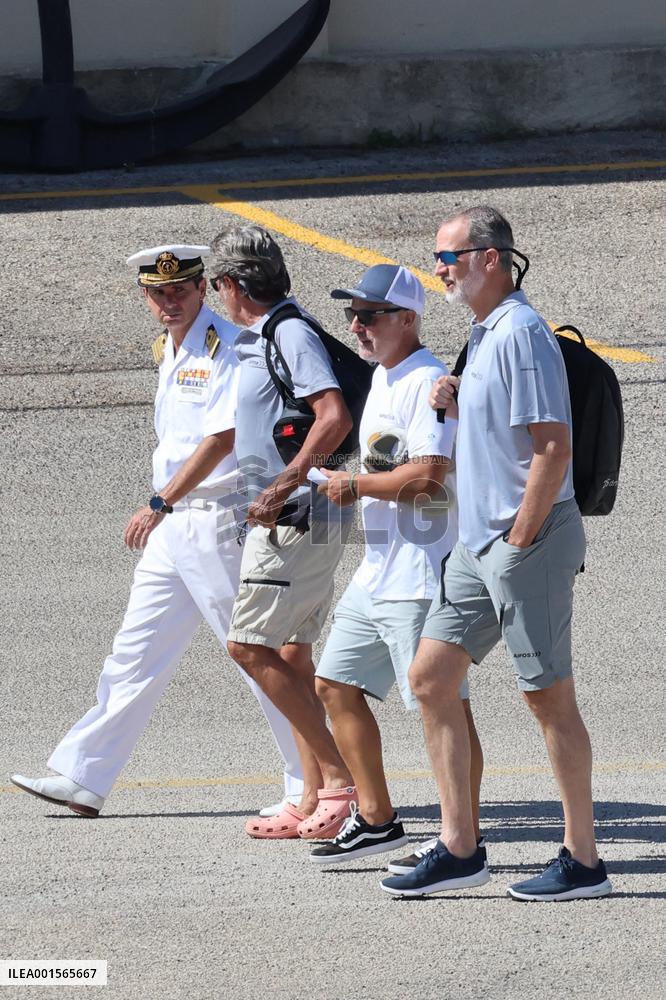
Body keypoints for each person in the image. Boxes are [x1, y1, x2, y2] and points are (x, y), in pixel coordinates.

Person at [11, 244, 302, 817]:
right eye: (157, 293)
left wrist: (158, 501)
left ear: (200, 289)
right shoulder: (168, 348)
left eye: (179, 291)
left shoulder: (225, 347)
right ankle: (84, 775)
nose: (169, 302)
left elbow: (221, 438)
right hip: (176, 528)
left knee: (255, 655)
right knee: (134, 652)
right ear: (145, 296)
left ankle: (308, 780)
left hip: (214, 519)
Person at [381, 206, 612, 900]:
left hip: (524, 541)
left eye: (448, 257)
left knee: (548, 700)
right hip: (476, 546)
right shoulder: (484, 337)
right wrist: (458, 392)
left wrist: (518, 542)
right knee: (430, 678)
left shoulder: (522, 334)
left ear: (490, 258)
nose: (440, 270)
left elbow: (552, 447)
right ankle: (460, 848)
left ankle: (584, 861)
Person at [307, 264, 484, 868]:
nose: (357, 325)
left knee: (442, 704)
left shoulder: (426, 381)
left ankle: (464, 834)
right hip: (380, 567)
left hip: (421, 572)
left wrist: (355, 485)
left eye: (371, 314)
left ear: (408, 318)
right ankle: (379, 820)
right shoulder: (385, 377)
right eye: (352, 314)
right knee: (333, 685)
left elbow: (430, 479)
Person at [209, 225, 357, 841]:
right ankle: (311, 794)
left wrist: (283, 485)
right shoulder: (271, 333)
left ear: (234, 284)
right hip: (294, 513)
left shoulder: (288, 334)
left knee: (247, 646)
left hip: (295, 515)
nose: (217, 293)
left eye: (217, 283)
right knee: (292, 655)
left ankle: (341, 783)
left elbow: (333, 414)